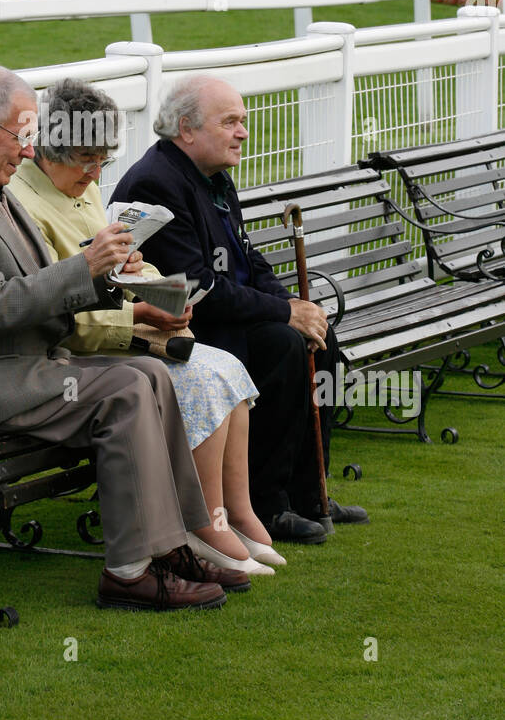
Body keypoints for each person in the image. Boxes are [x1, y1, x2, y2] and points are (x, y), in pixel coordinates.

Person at [0, 64, 240, 612]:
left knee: (150, 373)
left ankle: (175, 542)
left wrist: (108, 277)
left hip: (12, 367)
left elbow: (32, 291)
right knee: (127, 388)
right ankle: (128, 572)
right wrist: (85, 268)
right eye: (22, 136)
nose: (29, 152)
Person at [9, 79, 285, 576]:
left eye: (102, 161)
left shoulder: (83, 188)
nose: (95, 174)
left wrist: (163, 292)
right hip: (74, 355)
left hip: (120, 337)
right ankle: (199, 523)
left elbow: (126, 262)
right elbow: (58, 311)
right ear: (47, 149)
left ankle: (235, 512)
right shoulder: (25, 205)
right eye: (85, 160)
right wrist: (138, 313)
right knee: (199, 375)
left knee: (225, 366)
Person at [112, 75, 369, 543]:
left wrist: (291, 304)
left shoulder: (213, 177)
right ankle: (267, 506)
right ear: (186, 129)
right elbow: (196, 287)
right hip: (186, 331)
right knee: (284, 344)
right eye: (230, 121)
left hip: (229, 318)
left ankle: (310, 491)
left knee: (318, 336)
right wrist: (282, 315)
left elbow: (246, 258)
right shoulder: (157, 182)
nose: (243, 133)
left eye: (243, 122)